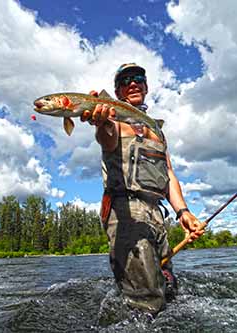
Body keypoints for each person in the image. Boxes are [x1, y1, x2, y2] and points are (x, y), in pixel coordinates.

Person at [81, 63, 203, 314]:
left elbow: (168, 173)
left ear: (146, 86)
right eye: (125, 80)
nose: (133, 83)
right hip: (127, 213)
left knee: (167, 287)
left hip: (157, 215)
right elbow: (107, 138)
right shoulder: (112, 120)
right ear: (117, 91)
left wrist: (183, 212)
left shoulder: (157, 131)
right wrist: (101, 123)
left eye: (138, 78)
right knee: (146, 303)